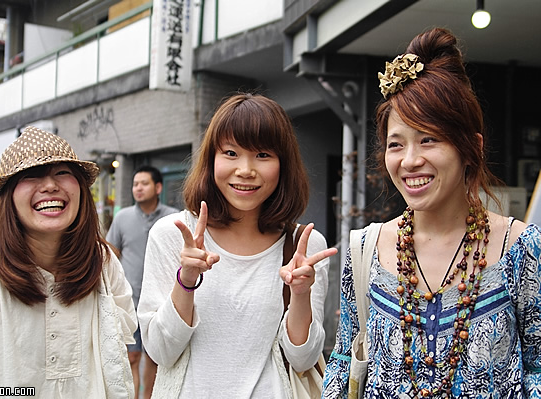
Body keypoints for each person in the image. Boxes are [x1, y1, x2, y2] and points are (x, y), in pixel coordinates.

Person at [323, 27, 541, 398]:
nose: (410, 160)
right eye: (396, 144)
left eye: (429, 139)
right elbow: (343, 365)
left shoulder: (520, 247)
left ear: (470, 147)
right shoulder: (365, 249)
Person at [137, 92, 338, 397]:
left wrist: (300, 293)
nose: (246, 169)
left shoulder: (304, 246)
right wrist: (187, 279)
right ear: (211, 159)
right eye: (231, 153)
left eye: (263, 155)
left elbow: (303, 360)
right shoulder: (173, 234)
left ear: (283, 165)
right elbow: (161, 352)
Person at [0, 126, 137, 397]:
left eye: (62, 173)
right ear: (9, 197)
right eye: (32, 175)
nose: (50, 185)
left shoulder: (103, 264)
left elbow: (118, 357)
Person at [106, 165, 178, 399]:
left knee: (156, 359)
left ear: (158, 187)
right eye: (135, 184)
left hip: (162, 301)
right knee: (131, 357)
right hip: (130, 301)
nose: (138, 188)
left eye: (144, 183)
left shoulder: (173, 218)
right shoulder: (122, 217)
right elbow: (111, 256)